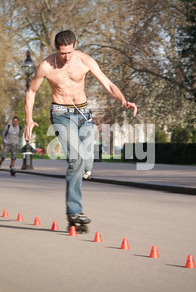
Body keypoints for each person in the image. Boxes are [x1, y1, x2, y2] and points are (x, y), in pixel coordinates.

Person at [24, 30, 137, 232]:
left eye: (70, 52)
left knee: (86, 161)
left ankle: (83, 170)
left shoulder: (85, 61)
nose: (66, 58)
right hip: (60, 114)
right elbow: (31, 91)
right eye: (62, 53)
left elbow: (107, 84)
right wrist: (29, 120)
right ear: (56, 49)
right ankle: (74, 211)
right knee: (75, 160)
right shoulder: (46, 66)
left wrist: (123, 100)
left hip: (84, 114)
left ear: (75, 45)